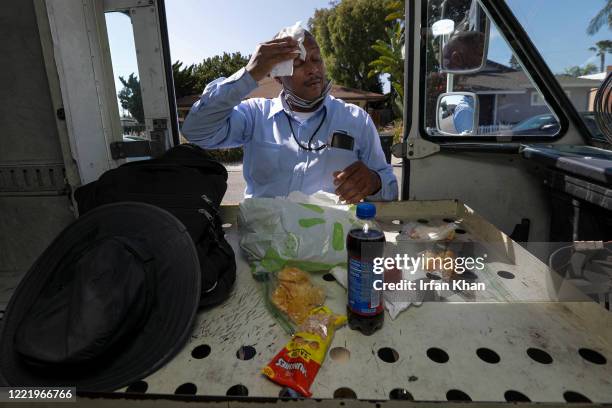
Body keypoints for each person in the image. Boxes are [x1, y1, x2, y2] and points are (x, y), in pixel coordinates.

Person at [181, 29, 398, 204]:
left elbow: (390, 186)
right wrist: (250, 74)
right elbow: (197, 131)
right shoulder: (255, 115)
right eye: (299, 63)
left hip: (329, 248)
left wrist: (374, 181)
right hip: (263, 249)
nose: (313, 69)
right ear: (277, 77)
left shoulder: (356, 119)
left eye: (317, 59)